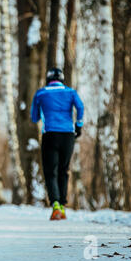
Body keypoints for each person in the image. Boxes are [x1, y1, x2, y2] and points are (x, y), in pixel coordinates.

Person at [30, 68, 84, 220]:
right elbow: (80, 107)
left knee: (50, 171)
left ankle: (55, 204)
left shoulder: (40, 93)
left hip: (50, 134)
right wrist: (79, 125)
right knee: (64, 170)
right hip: (68, 135)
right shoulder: (71, 92)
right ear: (62, 79)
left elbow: (34, 118)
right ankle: (62, 206)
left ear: (48, 79)